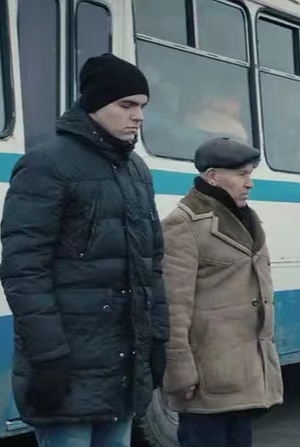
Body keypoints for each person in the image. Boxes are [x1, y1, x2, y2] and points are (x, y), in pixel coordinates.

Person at [0, 53, 167, 446]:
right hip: (66, 368)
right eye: (126, 105)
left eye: (142, 106)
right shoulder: (45, 165)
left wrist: (158, 339)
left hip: (122, 370)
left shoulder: (136, 171)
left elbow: (152, 265)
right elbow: (24, 270)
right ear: (94, 104)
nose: (138, 116)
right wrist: (49, 357)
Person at [160, 138, 284, 447]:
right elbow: (174, 305)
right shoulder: (184, 223)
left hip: (243, 374)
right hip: (208, 377)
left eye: (250, 174)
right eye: (242, 174)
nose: (250, 183)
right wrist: (179, 366)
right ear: (212, 176)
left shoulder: (248, 219)